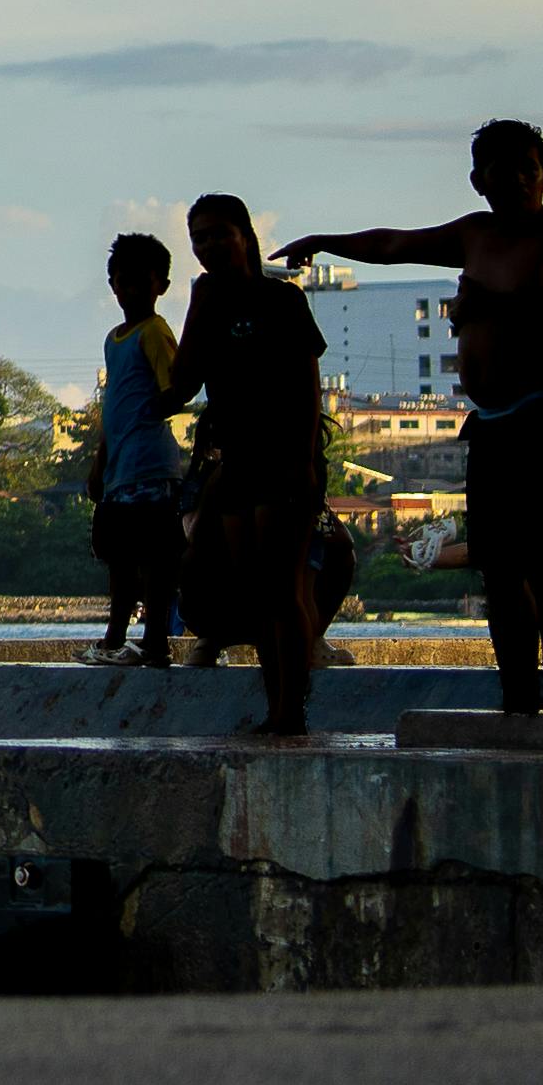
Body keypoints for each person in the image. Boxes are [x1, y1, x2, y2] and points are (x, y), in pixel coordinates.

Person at [282, 125, 543, 718]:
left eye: (527, 168)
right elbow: (395, 244)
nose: (516, 180)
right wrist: (325, 241)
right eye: (500, 169)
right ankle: (517, 699)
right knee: (500, 570)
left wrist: (479, 302)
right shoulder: (474, 233)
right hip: (493, 423)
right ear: (478, 179)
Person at [158, 194, 333, 743]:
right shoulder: (209, 303)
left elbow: (308, 387)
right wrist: (196, 306)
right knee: (257, 592)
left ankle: (291, 710)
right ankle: (274, 705)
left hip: (285, 459)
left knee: (284, 589)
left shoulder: (281, 299)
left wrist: (305, 462)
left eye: (219, 234)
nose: (209, 246)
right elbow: (184, 383)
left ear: (245, 236)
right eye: (199, 238)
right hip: (236, 463)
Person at [85, 232, 188, 666]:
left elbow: (174, 391)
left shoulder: (155, 332)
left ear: (160, 285)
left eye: (141, 282)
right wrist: (100, 462)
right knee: (120, 557)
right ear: (113, 284)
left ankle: (154, 641)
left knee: (155, 558)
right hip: (120, 469)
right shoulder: (115, 339)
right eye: (122, 281)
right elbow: (113, 409)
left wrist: (151, 411)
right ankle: (114, 639)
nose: (130, 291)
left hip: (149, 465)